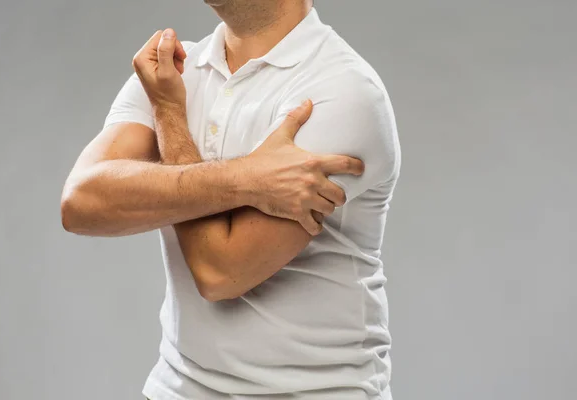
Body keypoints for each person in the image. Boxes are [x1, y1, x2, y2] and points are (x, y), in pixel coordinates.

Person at [61, 0, 401, 398]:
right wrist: (246, 176)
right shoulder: (170, 74)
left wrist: (169, 114)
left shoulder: (343, 91)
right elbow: (81, 203)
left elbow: (219, 273)